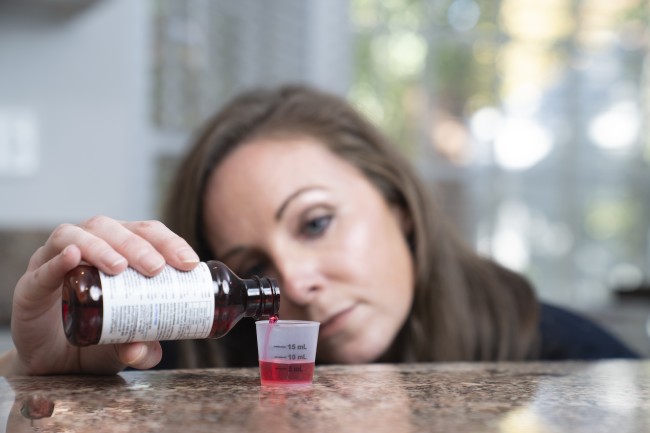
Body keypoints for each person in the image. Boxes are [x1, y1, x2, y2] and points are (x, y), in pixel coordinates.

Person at [0, 85, 638, 376]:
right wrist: (51, 380)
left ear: (398, 205)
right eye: (257, 265)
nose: (297, 284)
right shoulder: (216, 370)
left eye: (317, 222)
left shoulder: (568, 363)